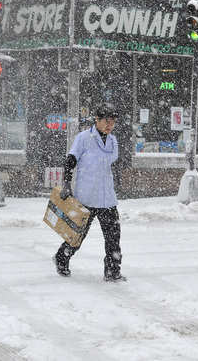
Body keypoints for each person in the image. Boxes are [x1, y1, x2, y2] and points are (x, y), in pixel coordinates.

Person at [53, 103, 125, 282]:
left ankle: (112, 271)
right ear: (97, 120)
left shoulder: (113, 141)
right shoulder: (84, 138)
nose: (110, 125)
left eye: (113, 122)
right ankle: (61, 258)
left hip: (107, 198)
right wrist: (67, 183)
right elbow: (70, 160)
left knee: (113, 237)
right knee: (77, 235)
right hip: (87, 197)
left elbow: (111, 165)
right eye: (107, 121)